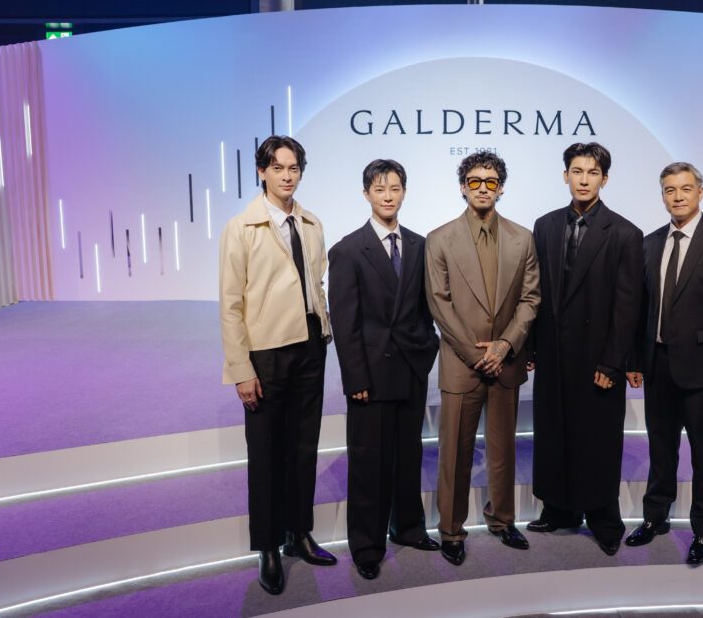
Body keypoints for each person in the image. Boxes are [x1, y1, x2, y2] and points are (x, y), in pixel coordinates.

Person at [219, 135, 336, 595]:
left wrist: (324, 327)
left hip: (310, 346)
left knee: (304, 446)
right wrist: (241, 369)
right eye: (278, 167)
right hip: (265, 353)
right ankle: (267, 546)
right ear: (262, 172)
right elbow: (230, 305)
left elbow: (316, 282)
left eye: (294, 168)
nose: (287, 176)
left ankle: (298, 533)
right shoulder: (241, 227)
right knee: (266, 452)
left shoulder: (311, 222)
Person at [625, 161, 703, 566]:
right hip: (657, 367)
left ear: (700, 192)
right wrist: (635, 360)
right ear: (662, 195)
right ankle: (654, 517)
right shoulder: (649, 243)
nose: (677, 196)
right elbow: (640, 309)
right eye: (669, 190)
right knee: (661, 450)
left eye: (685, 188)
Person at [424, 151, 540, 566]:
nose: (483, 188)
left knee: (503, 450)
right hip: (462, 362)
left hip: (505, 361)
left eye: (491, 181)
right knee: (454, 452)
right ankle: (451, 530)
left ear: (501, 187)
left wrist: (504, 346)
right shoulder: (439, 239)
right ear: (463, 186)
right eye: (475, 181)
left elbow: (530, 299)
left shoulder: (523, 238)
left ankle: (503, 520)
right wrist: (476, 353)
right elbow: (439, 304)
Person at [527, 142, 643, 556]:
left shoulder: (625, 233)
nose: (583, 179)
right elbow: (535, 292)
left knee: (598, 439)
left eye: (592, 173)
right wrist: (531, 348)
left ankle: (604, 519)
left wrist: (613, 362)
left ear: (604, 179)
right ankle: (559, 510)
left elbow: (628, 306)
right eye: (576, 171)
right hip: (553, 352)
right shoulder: (545, 226)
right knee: (554, 431)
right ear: (565, 176)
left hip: (597, 356)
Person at [327, 159, 441, 580]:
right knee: (369, 463)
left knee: (409, 455)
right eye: (379, 189)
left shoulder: (419, 244)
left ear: (404, 192)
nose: (388, 196)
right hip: (371, 376)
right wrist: (355, 378)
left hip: (410, 368)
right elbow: (345, 323)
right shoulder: (347, 250)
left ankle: (408, 528)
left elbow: (426, 309)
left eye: (394, 188)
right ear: (366, 194)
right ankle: (367, 545)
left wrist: (426, 350)